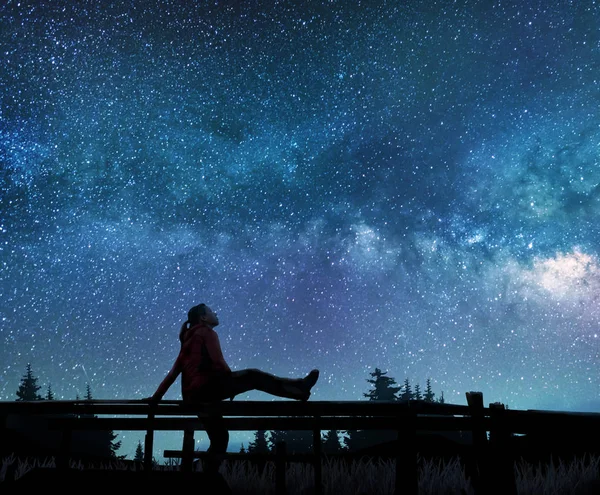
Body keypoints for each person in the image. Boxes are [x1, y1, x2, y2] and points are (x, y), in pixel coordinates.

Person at [147, 303, 319, 473]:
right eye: (212, 311)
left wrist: (156, 398)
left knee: (220, 437)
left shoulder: (188, 340)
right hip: (209, 390)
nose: (216, 313)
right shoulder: (207, 332)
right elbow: (218, 361)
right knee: (253, 376)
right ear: (203, 318)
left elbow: (173, 373)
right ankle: (299, 389)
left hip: (194, 397)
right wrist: (230, 382)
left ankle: (207, 477)